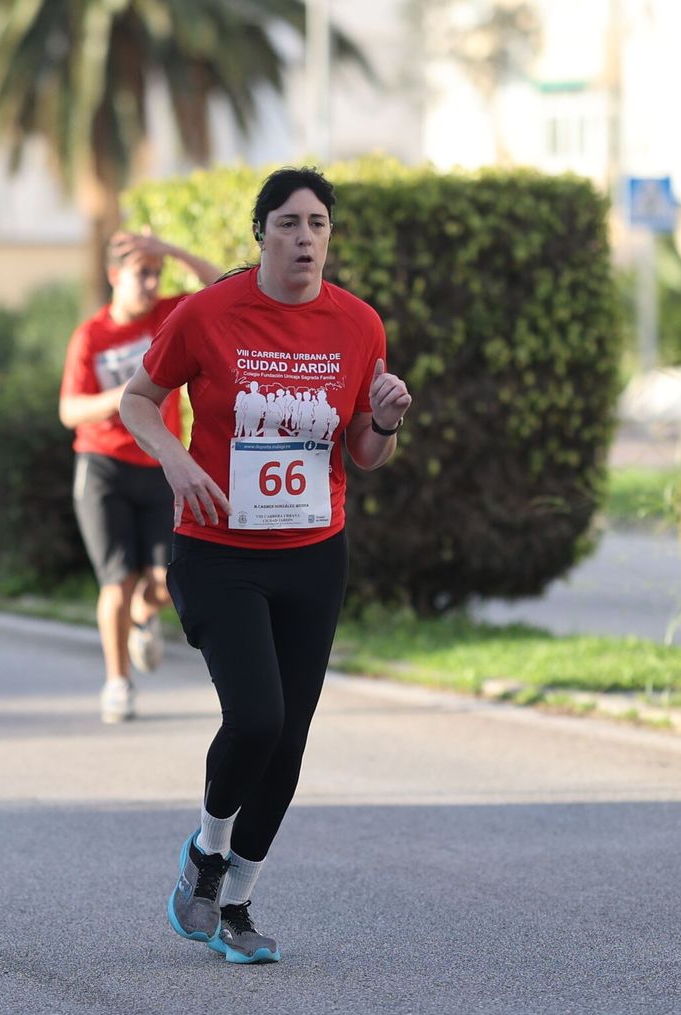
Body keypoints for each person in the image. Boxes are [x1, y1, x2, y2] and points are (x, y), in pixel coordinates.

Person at [120, 167, 412, 964]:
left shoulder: (358, 325)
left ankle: (239, 907)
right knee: (257, 718)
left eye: (318, 224)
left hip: (313, 553)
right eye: (288, 223)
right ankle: (208, 851)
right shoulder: (209, 312)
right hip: (218, 548)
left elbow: (362, 451)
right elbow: (138, 401)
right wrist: (177, 463)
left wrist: (383, 422)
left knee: (290, 740)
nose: (305, 238)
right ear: (262, 235)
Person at [59, 230, 221, 724]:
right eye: (140, 273)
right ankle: (117, 683)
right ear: (114, 276)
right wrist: (126, 399)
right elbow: (69, 410)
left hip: (158, 463)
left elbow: (221, 286)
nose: (151, 283)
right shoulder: (92, 335)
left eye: (156, 273)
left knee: (161, 582)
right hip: (103, 468)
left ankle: (144, 618)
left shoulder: (166, 316)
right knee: (117, 583)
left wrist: (172, 249)